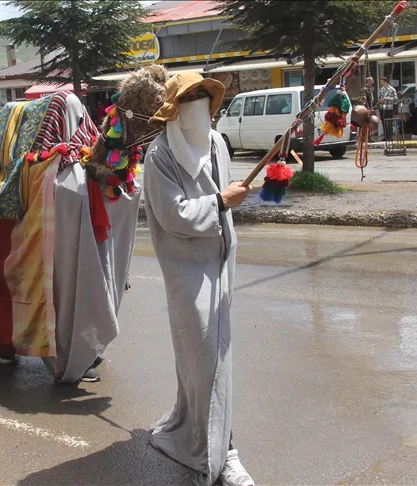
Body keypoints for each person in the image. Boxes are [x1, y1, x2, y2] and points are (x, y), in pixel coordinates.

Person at [143, 72, 254, 486]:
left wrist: (227, 204)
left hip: (223, 260)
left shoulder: (218, 144)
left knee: (217, 358)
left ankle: (215, 440)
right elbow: (174, 215)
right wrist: (221, 202)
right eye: (189, 95)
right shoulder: (159, 156)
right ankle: (220, 452)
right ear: (175, 106)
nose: (198, 101)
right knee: (203, 356)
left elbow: (225, 202)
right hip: (185, 267)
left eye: (203, 95)